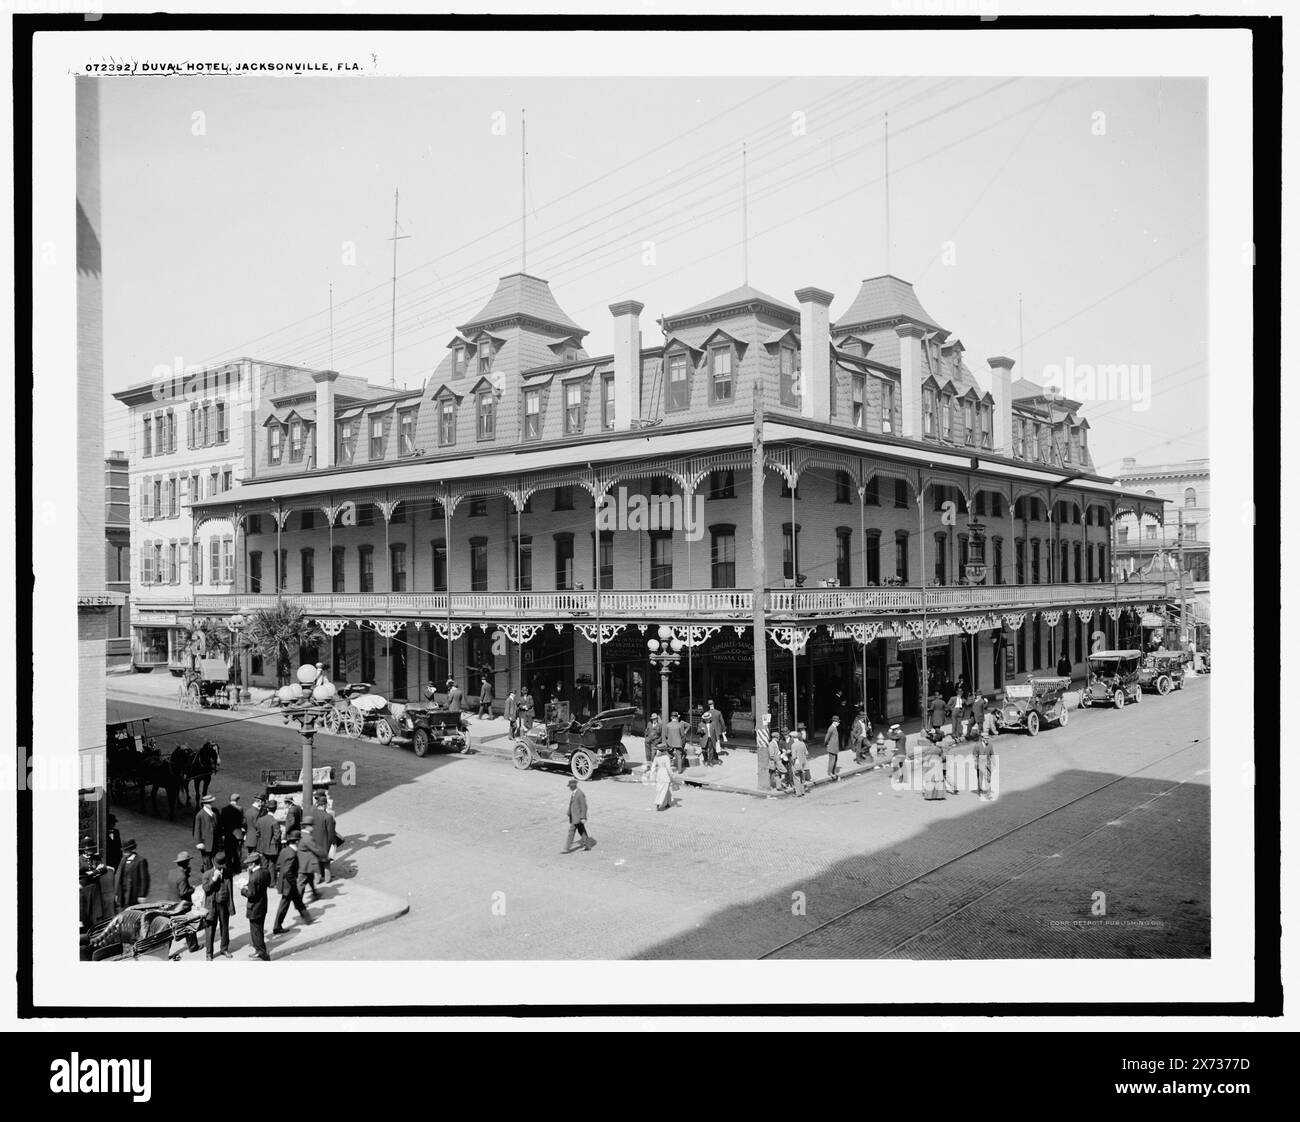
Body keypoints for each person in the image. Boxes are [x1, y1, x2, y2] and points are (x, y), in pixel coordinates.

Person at [272, 831, 312, 934]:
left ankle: (307, 919)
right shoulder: (292, 854)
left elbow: (278, 866)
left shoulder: (284, 851)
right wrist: (293, 881)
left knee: (297, 900)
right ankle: (277, 927)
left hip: (285, 882)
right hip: (289, 884)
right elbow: (287, 871)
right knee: (284, 905)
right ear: (297, 841)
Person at [241, 852, 272, 961]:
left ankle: (261, 952)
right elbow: (267, 883)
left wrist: (243, 890)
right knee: (259, 929)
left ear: (254, 864)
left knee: (256, 932)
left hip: (254, 908)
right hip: (263, 905)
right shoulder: (265, 871)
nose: (248, 866)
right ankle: (260, 950)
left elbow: (251, 894)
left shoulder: (254, 877)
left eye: (249, 864)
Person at [202, 852, 233, 959]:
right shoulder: (207, 874)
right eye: (218, 866)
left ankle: (224, 949)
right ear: (214, 863)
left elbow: (230, 890)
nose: (220, 869)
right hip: (211, 905)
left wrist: (231, 906)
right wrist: (214, 879)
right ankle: (209, 953)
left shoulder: (228, 873)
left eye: (222, 866)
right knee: (210, 929)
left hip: (223, 904)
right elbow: (206, 888)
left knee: (225, 928)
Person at [113, 839, 150, 909]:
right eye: (124, 850)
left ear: (132, 850)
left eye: (127, 850)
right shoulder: (123, 860)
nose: (124, 852)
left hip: (134, 893)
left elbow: (144, 879)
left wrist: (142, 895)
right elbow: (118, 876)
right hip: (123, 893)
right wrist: (117, 893)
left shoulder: (140, 861)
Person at [310, 790, 338, 883]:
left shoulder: (313, 813)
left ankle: (317, 880)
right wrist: (331, 844)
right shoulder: (328, 817)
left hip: (314, 842)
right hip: (324, 843)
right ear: (325, 805)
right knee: (326, 863)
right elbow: (331, 833)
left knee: (317, 863)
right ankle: (327, 879)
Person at [563, 778, 595, 852]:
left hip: (577, 817)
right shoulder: (574, 793)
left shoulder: (580, 794)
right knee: (582, 831)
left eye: (571, 787)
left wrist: (583, 817)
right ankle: (588, 845)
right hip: (575, 817)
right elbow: (572, 804)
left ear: (574, 786)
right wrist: (569, 812)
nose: (570, 788)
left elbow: (584, 806)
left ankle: (566, 848)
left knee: (571, 831)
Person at [297, 818, 324, 903]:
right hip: (305, 864)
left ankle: (315, 893)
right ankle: (298, 903)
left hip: (304, 863)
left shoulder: (300, 834)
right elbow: (316, 850)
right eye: (312, 826)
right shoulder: (307, 838)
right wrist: (325, 855)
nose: (313, 828)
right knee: (301, 884)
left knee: (310, 878)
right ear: (308, 826)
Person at [193, 794, 219, 871]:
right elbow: (197, 830)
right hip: (206, 843)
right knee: (207, 862)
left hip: (214, 841)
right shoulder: (200, 815)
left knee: (215, 859)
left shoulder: (213, 812)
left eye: (211, 802)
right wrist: (198, 843)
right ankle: (207, 876)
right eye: (209, 803)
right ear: (204, 804)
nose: (211, 804)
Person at [220, 793, 246, 866]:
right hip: (237, 834)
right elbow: (242, 821)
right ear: (237, 800)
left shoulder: (224, 809)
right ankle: (236, 866)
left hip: (227, 834)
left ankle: (228, 865)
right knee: (237, 851)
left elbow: (222, 822)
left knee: (228, 851)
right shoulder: (240, 808)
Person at [255, 798, 281, 870]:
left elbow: (257, 834)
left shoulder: (260, 820)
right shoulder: (275, 822)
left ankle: (263, 880)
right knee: (272, 867)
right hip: (272, 849)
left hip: (262, 847)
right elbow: (277, 837)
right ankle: (272, 881)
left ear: (267, 809)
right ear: (275, 809)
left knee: (263, 866)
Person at [701, 700, 726, 767]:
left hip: (710, 731)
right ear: (714, 704)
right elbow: (722, 722)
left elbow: (703, 723)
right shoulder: (718, 712)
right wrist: (724, 729)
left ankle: (713, 758)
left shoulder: (707, 713)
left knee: (711, 745)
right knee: (716, 744)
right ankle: (715, 758)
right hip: (717, 731)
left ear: (708, 705)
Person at [651, 746, 675, 811]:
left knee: (666, 790)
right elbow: (668, 768)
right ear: (665, 750)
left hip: (659, 774)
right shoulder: (666, 757)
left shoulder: (656, 757)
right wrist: (672, 775)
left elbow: (653, 767)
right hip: (665, 775)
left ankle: (668, 803)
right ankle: (658, 803)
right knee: (663, 790)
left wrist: (652, 776)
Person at [243, 796, 264, 865]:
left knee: (249, 854)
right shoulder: (257, 813)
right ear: (260, 802)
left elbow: (245, 824)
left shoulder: (248, 811)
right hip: (255, 838)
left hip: (249, 836)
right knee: (255, 856)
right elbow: (257, 825)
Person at [974, 733, 995, 801]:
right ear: (982, 738)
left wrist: (994, 762)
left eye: (988, 738)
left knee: (988, 779)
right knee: (980, 778)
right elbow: (975, 754)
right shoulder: (977, 745)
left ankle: (988, 794)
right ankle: (979, 789)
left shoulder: (990, 745)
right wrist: (976, 763)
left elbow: (992, 754)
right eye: (985, 738)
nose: (987, 739)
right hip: (980, 764)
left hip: (988, 764)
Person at [790, 726, 808, 796]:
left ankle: (798, 793)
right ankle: (802, 791)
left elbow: (794, 757)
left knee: (796, 777)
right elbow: (806, 753)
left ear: (792, 738)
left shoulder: (793, 745)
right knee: (802, 778)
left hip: (796, 764)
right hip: (803, 763)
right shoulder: (802, 743)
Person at [824, 714, 842, 780]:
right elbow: (826, 738)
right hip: (832, 747)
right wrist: (826, 744)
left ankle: (833, 771)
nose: (838, 723)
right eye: (838, 722)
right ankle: (830, 772)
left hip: (835, 747)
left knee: (835, 760)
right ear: (834, 722)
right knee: (832, 760)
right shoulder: (831, 728)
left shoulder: (834, 727)